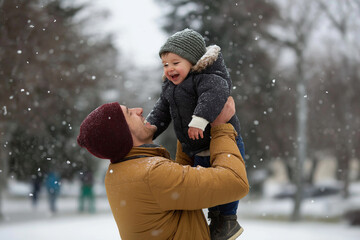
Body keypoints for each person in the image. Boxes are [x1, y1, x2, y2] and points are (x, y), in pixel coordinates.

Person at [77, 97, 249, 240]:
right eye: (130, 113)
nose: (139, 110)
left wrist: (185, 136)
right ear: (121, 134)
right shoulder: (151, 174)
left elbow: (178, 190)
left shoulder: (122, 172)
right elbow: (235, 182)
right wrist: (221, 128)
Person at [146, 28, 246, 239]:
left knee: (225, 184)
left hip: (222, 140)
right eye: (165, 65)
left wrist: (199, 120)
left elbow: (214, 94)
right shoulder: (170, 88)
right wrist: (150, 128)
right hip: (197, 147)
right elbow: (161, 111)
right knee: (210, 187)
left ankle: (228, 221)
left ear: (192, 61)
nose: (169, 69)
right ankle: (216, 218)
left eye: (175, 63)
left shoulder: (207, 78)